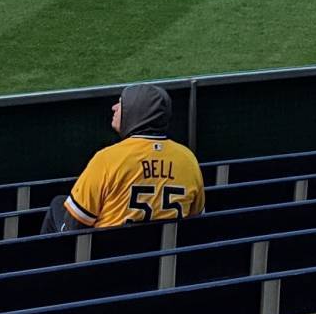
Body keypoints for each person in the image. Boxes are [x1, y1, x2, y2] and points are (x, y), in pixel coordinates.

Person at [41, 85, 205, 233]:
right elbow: (197, 218)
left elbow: (74, 225)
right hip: (167, 258)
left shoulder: (108, 159)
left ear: (134, 112)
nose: (114, 108)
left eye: (120, 104)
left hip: (109, 261)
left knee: (58, 204)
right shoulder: (187, 159)